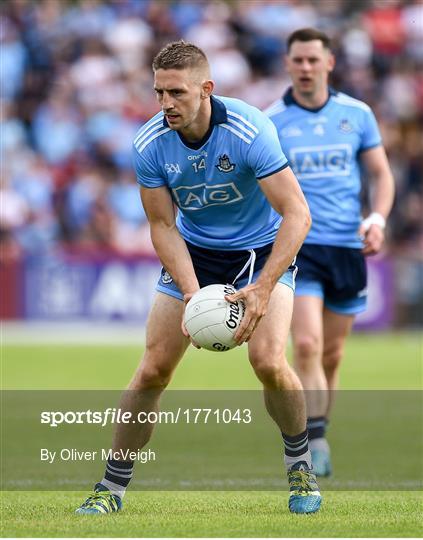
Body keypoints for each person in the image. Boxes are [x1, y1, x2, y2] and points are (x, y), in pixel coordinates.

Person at [76, 40, 321, 515]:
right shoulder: (149, 143)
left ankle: (300, 466)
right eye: (158, 93)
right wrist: (193, 296)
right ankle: (111, 488)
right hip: (194, 255)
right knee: (152, 370)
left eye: (177, 93)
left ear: (206, 89)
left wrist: (264, 287)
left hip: (259, 253)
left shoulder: (250, 130)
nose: (166, 104)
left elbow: (296, 214)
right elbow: (163, 226)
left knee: (269, 360)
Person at [266, 28, 395, 476]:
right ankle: (314, 440)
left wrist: (376, 219)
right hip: (299, 245)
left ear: (329, 63)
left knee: (332, 355)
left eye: (312, 60)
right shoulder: (271, 120)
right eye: (297, 60)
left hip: (346, 245)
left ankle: (321, 426)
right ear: (287, 63)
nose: (305, 68)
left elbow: (381, 174)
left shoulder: (356, 115)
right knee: (305, 344)